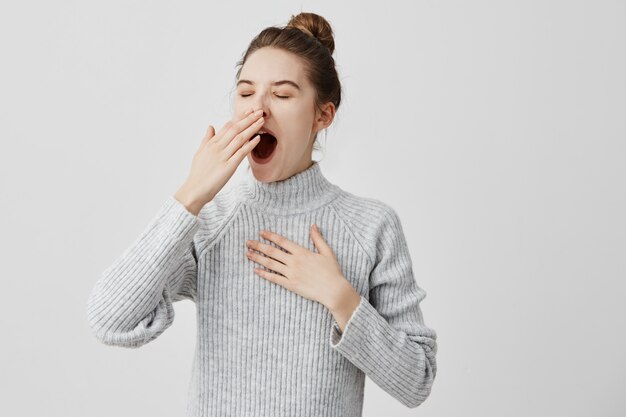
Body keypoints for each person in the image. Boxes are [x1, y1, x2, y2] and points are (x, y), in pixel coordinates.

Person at [86, 12, 438, 417]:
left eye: (283, 95)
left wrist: (340, 297)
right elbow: (109, 320)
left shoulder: (371, 226)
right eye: (246, 92)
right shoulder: (211, 221)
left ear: (322, 115)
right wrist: (190, 195)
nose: (258, 110)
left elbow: (417, 382)